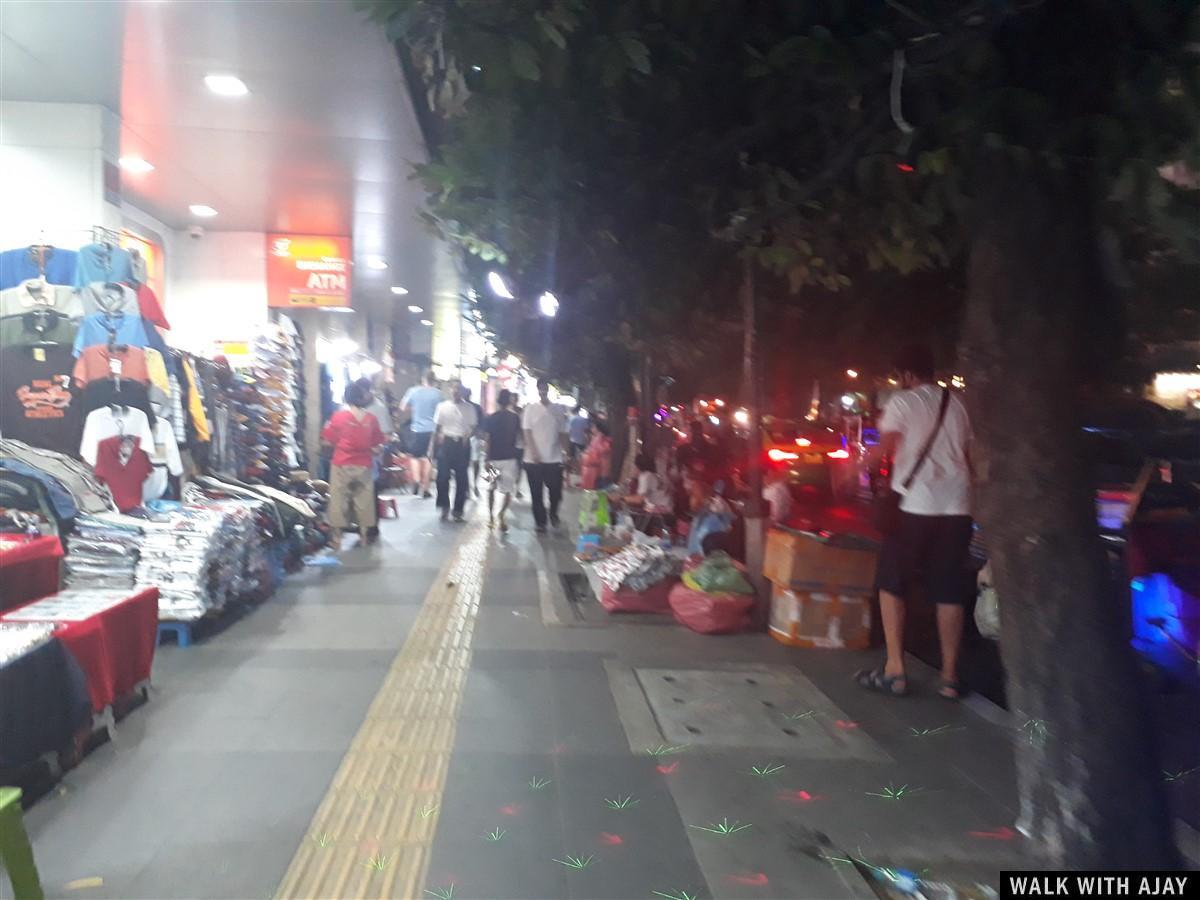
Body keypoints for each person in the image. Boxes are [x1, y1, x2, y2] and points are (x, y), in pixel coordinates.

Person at [857, 344, 973, 700]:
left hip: (915, 508)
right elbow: (968, 455)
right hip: (956, 507)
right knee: (949, 590)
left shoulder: (903, 402)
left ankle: (895, 669)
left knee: (892, 583)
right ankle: (950, 677)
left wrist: (856, 468)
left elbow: (884, 448)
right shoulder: (957, 404)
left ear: (906, 376)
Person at [321, 381, 385, 550]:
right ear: (362, 398)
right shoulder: (371, 419)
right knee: (363, 501)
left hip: (342, 464)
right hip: (364, 465)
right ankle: (364, 536)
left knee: (339, 500)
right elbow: (378, 446)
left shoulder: (338, 417)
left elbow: (328, 440)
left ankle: (336, 539)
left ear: (346, 398)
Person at [521, 378, 568, 533]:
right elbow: (527, 432)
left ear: (548, 389)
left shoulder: (558, 409)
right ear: (537, 389)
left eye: (545, 388)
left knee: (556, 491)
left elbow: (563, 433)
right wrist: (534, 452)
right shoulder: (530, 409)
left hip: (554, 458)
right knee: (536, 493)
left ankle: (553, 513)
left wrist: (566, 453)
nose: (543, 391)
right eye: (540, 388)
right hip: (533, 460)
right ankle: (540, 522)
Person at [432, 383, 478, 522]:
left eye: (458, 389)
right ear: (450, 390)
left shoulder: (469, 408)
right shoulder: (443, 406)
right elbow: (437, 427)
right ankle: (444, 505)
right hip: (446, 443)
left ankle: (458, 509)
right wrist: (433, 448)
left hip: (462, 444)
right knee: (442, 477)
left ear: (462, 392)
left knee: (461, 478)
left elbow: (473, 426)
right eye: (454, 388)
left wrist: (468, 435)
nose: (456, 391)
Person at [481, 389, 522, 531]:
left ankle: (491, 518)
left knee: (491, 488)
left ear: (498, 401)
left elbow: (488, 440)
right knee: (508, 491)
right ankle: (501, 515)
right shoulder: (515, 418)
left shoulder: (491, 418)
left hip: (493, 459)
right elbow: (519, 439)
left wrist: (486, 459)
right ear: (510, 401)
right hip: (510, 459)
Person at [400, 371, 442, 498]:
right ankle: (426, 488)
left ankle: (416, 481)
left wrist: (415, 409)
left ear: (423, 379)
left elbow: (403, 407)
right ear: (434, 380)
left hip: (416, 429)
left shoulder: (413, 391)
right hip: (432, 430)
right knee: (428, 459)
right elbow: (443, 410)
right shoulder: (438, 394)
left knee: (414, 457)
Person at [579, 418, 612, 490]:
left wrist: (585, 455)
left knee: (599, 495)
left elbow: (596, 456)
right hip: (596, 473)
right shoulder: (598, 439)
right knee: (596, 495)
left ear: (598, 428)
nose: (591, 428)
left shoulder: (602, 441)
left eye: (593, 426)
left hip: (599, 474)